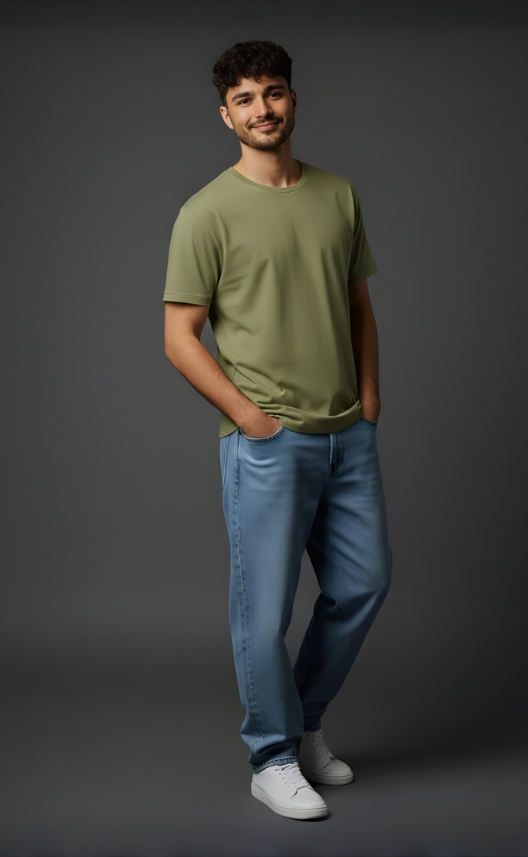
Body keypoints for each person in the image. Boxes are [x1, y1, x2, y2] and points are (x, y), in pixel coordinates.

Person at [163, 39, 393, 821]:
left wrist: (368, 401)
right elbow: (179, 337)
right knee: (262, 616)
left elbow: (358, 307)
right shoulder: (204, 212)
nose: (262, 109)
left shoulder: (337, 194)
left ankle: (303, 724)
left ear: (293, 99)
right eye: (245, 99)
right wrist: (249, 418)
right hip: (267, 442)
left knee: (363, 585)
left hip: (347, 435)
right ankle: (270, 755)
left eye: (273, 92)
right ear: (224, 115)